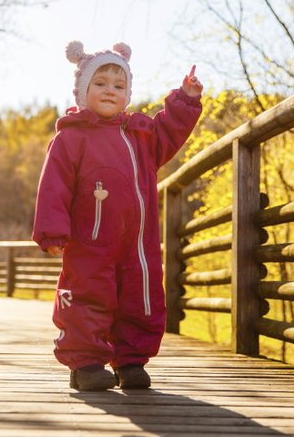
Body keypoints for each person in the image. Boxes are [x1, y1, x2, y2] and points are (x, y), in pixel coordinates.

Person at [32, 41, 203, 391]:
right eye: (101, 83)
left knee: (138, 297)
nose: (110, 91)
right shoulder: (72, 137)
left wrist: (184, 100)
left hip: (136, 243)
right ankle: (86, 364)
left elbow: (169, 132)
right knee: (87, 295)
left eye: (119, 85)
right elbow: (54, 185)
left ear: (127, 94)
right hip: (88, 240)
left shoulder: (139, 135)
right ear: (82, 91)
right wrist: (51, 231)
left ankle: (131, 361)